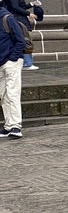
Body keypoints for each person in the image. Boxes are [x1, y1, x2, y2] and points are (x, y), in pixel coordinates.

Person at [0, 8, 26, 139]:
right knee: (3, 95)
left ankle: (16, 125)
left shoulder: (7, 18)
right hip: (1, 62)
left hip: (11, 62)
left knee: (12, 93)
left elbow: (20, 40)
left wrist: (13, 58)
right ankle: (8, 125)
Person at [5, 0, 38, 70]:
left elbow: (20, 6)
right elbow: (15, 7)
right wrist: (29, 14)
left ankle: (26, 62)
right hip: (19, 19)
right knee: (25, 40)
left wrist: (31, 4)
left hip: (20, 18)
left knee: (24, 39)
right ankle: (27, 63)